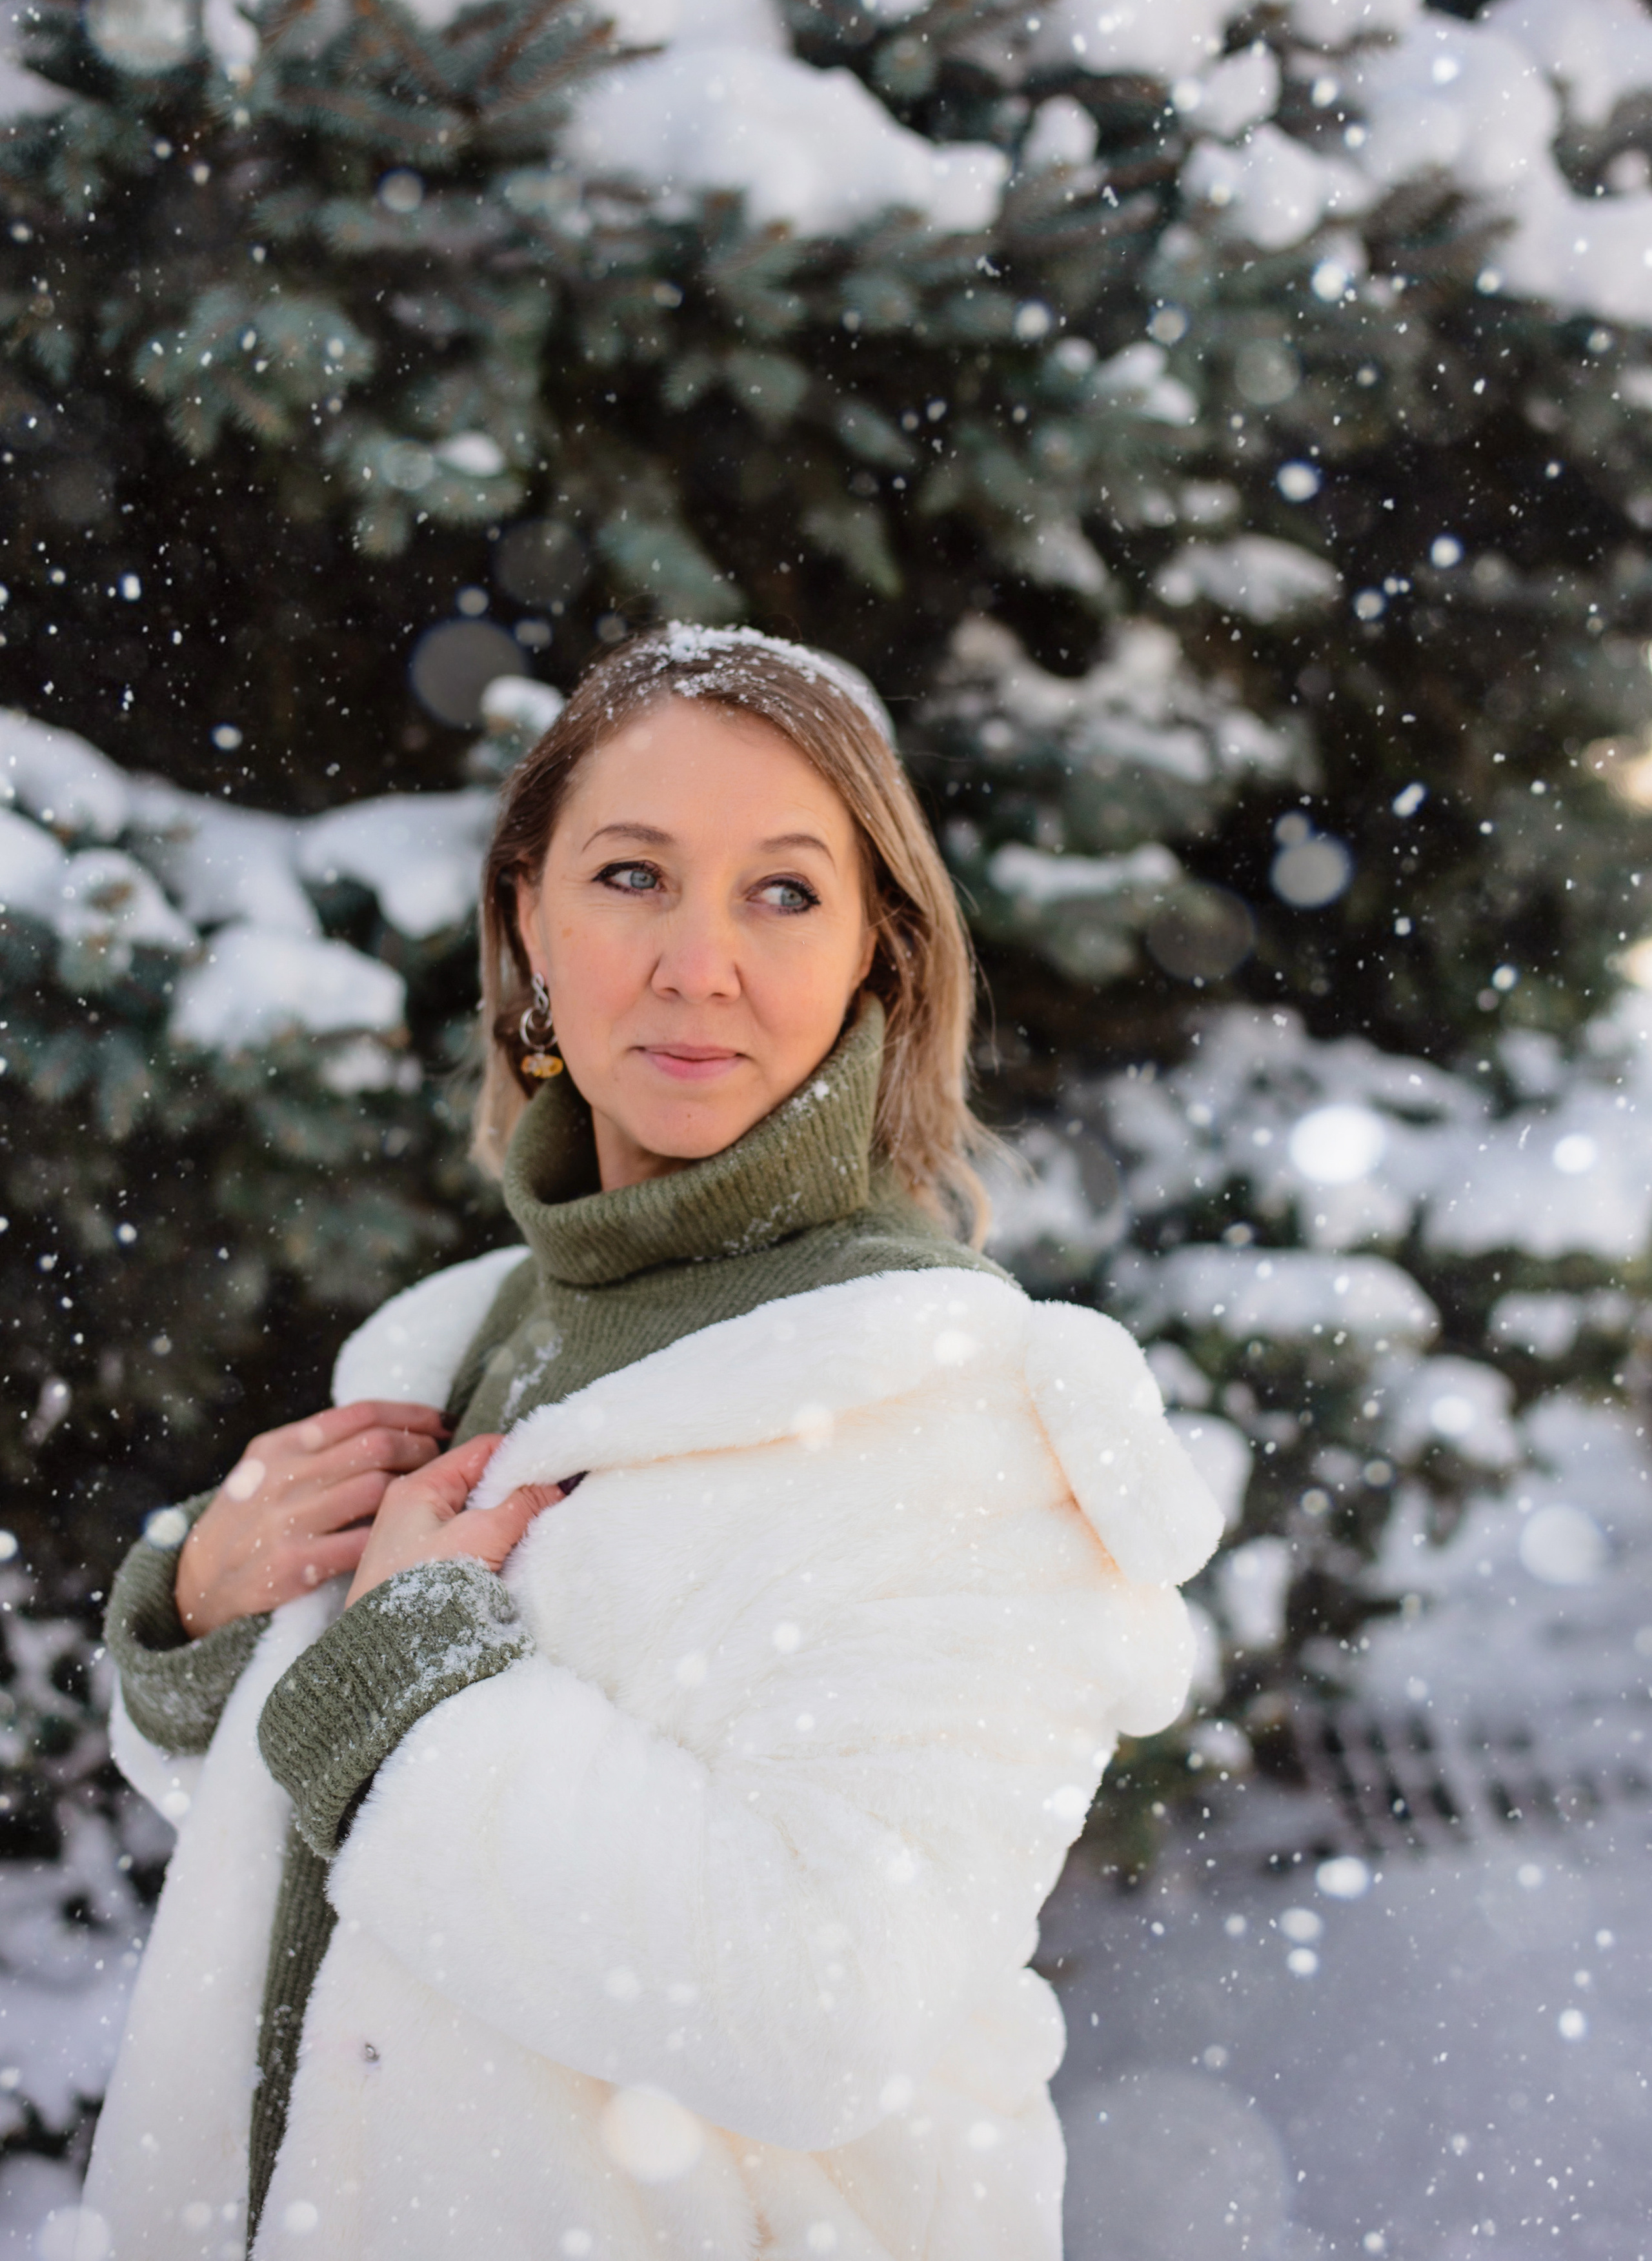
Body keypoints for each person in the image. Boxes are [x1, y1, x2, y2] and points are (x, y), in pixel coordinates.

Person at [90, 623, 1221, 2261]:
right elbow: (338, 1878)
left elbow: (820, 2004)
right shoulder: (453, 1338)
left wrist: (411, 1681)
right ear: (527, 919)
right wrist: (204, 1617)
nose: (701, 961)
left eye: (782, 891)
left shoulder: (954, 1403)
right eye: (631, 876)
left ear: (874, 960)